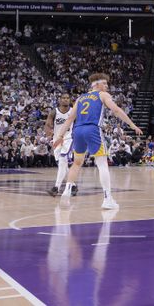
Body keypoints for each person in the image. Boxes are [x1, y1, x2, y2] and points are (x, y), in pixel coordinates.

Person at [52, 73, 144, 209]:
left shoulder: (81, 98)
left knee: (77, 163)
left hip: (77, 131)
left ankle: (67, 190)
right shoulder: (102, 95)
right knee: (102, 163)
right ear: (96, 85)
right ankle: (107, 199)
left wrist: (60, 135)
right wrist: (132, 125)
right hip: (92, 130)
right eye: (105, 83)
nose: (107, 86)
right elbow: (116, 110)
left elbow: (70, 118)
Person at [46, 93, 75, 197]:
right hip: (56, 140)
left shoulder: (73, 111)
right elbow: (48, 125)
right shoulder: (54, 112)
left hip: (68, 139)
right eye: (63, 98)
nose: (65, 100)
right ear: (60, 100)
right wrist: (49, 134)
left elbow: (79, 124)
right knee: (61, 164)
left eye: (67, 98)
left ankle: (56, 188)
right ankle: (73, 186)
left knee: (63, 161)